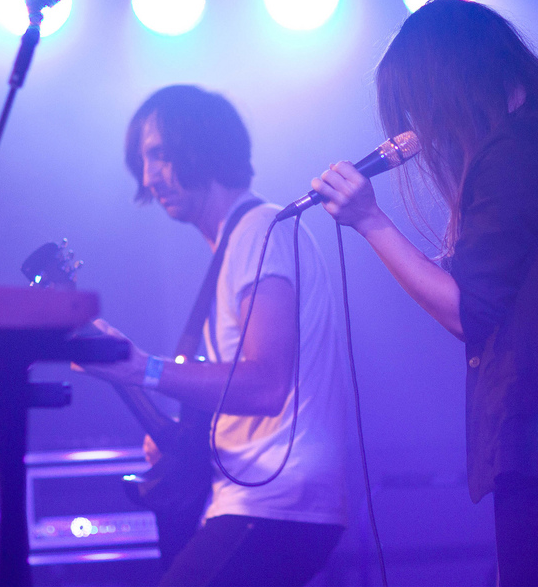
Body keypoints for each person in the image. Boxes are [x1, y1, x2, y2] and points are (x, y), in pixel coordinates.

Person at [313, 0, 538, 586]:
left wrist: (369, 220)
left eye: (423, 108)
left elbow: (467, 311)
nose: (423, 131)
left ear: (449, 90)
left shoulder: (519, 148)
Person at [79, 85, 348, 586]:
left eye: (159, 154)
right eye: (143, 161)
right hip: (260, 504)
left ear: (202, 148)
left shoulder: (260, 229)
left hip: (273, 506)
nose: (148, 177)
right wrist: (187, 441)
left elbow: (265, 385)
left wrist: (143, 369)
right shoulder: (238, 241)